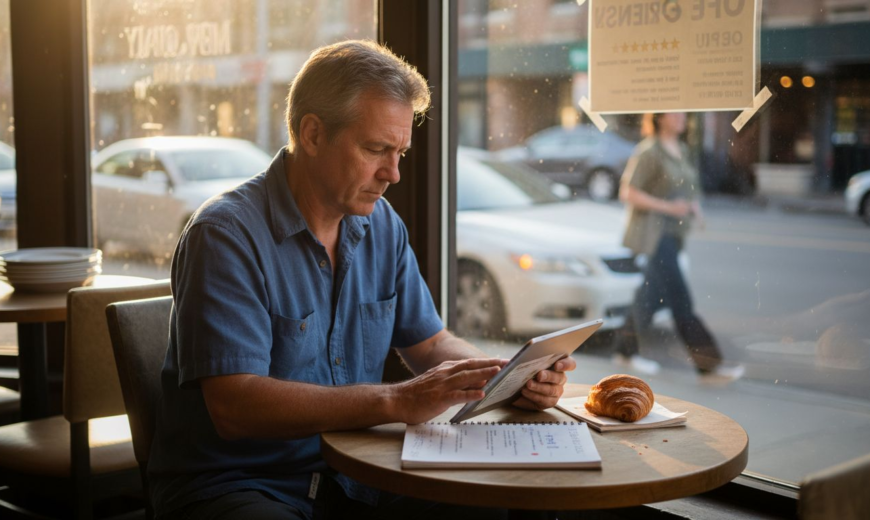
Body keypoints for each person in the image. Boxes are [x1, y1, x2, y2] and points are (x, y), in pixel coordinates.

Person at [147, 40, 576, 520]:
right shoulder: (225, 235)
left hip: (358, 475)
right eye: (376, 149)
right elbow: (235, 406)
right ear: (312, 134)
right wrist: (396, 399)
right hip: (241, 485)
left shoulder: (381, 224)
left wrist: (501, 378)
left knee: (514, 504)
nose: (392, 173)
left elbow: (430, 345)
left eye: (400, 152)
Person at [613, 112, 744, 381]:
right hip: (654, 235)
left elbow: (687, 187)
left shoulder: (682, 149)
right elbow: (628, 192)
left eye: (684, 113)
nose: (682, 117)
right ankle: (709, 366)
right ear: (660, 118)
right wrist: (669, 207)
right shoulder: (648, 151)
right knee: (681, 300)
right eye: (676, 113)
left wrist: (694, 207)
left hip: (673, 235)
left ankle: (624, 352)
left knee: (647, 299)